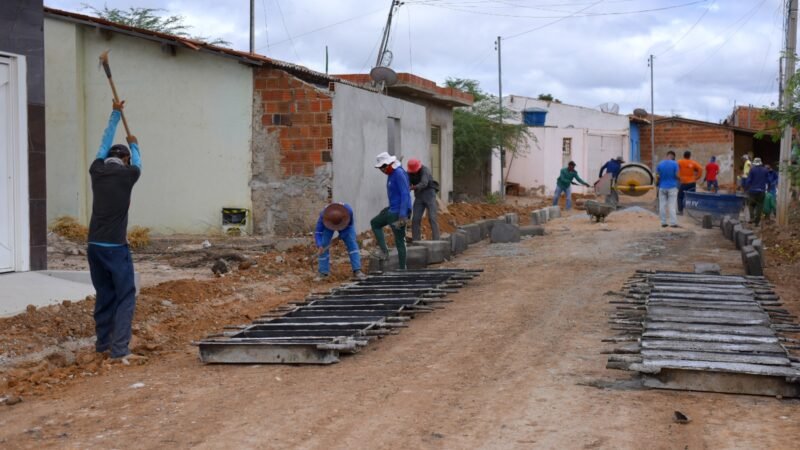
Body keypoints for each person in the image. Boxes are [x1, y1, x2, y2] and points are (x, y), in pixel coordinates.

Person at [87, 100, 142, 364]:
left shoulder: (96, 170)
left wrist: (115, 115)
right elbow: (139, 163)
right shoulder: (129, 175)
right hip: (116, 248)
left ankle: (103, 344)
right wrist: (135, 144)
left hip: (94, 246)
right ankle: (120, 350)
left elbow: (102, 144)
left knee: (105, 294)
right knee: (126, 295)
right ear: (125, 160)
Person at [371, 152, 412, 269]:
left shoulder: (398, 173)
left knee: (399, 240)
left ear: (389, 164)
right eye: (380, 168)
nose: (382, 170)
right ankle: (384, 251)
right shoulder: (391, 174)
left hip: (399, 214)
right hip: (392, 210)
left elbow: (405, 194)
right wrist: (389, 207)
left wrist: (403, 215)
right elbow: (395, 195)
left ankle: (402, 269)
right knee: (375, 223)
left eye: (383, 167)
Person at [314, 203, 366, 281]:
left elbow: (349, 226)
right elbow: (318, 232)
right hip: (328, 225)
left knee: (352, 244)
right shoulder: (324, 215)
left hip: (345, 225)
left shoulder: (348, 211)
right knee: (324, 244)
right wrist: (319, 245)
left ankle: (357, 270)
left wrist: (339, 237)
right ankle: (323, 272)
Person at [406, 158, 440, 242]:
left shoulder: (425, 170)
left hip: (429, 195)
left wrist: (413, 187)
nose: (413, 172)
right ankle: (416, 241)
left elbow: (424, 183)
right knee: (415, 219)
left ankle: (437, 240)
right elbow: (408, 182)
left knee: (432, 218)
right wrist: (407, 186)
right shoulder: (409, 173)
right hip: (419, 196)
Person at [656, 151, 680, 228]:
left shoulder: (660, 164)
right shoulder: (675, 164)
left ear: (667, 155)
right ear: (673, 157)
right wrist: (679, 179)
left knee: (662, 205)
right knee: (672, 205)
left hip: (662, 187)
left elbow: (657, 176)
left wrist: (658, 183)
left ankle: (663, 222)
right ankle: (673, 223)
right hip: (672, 187)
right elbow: (677, 175)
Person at [743, 158, 770, 226]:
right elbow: (768, 181)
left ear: (754, 163)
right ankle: (757, 222)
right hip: (761, 191)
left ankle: (752, 217)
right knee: (760, 206)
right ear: (761, 163)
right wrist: (768, 188)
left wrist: (746, 188)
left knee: (751, 205)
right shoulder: (765, 170)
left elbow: (748, 181)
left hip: (752, 191)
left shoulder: (752, 170)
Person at [677, 150, 703, 215]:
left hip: (684, 182)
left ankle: (680, 211)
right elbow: (700, 168)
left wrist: (678, 177)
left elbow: (674, 167)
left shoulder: (680, 162)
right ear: (689, 156)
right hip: (692, 183)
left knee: (680, 197)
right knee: (691, 197)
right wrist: (697, 177)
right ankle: (691, 212)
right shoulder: (693, 162)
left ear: (684, 155)